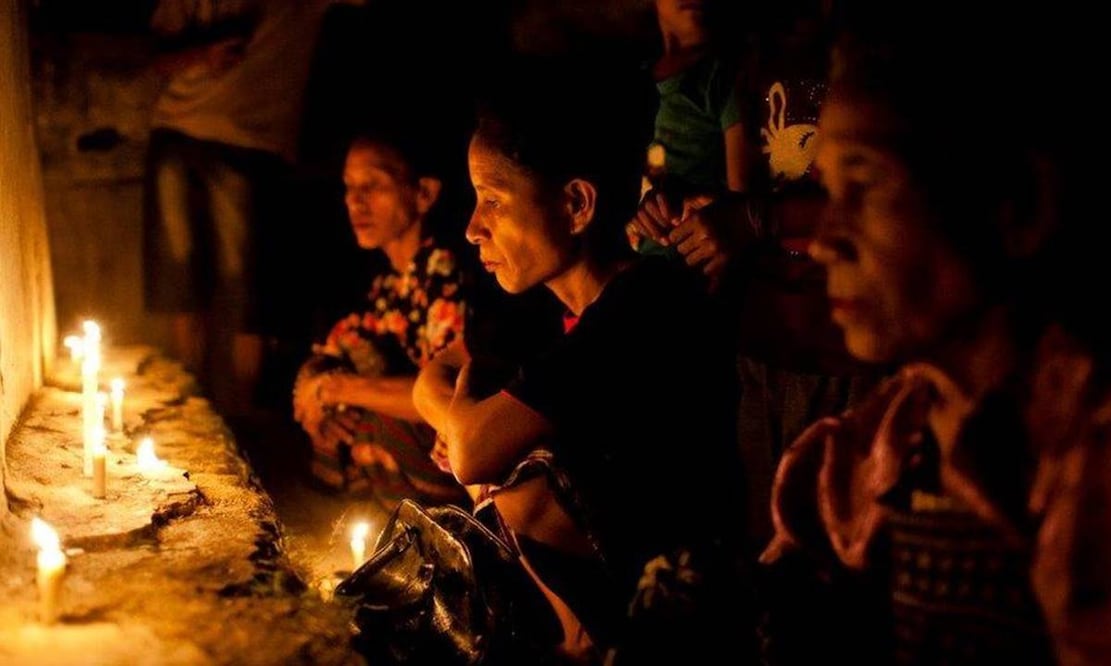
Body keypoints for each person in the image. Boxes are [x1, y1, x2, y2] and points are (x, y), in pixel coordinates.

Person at [759, 7, 1111, 664]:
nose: (823, 240)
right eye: (827, 191)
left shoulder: (1083, 448)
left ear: (1017, 204)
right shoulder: (889, 439)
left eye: (863, 185)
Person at [413, 61, 745, 663]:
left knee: (519, 487)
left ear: (576, 203)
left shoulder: (643, 308)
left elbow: (470, 453)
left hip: (682, 609)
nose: (471, 229)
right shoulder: (548, 310)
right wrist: (466, 418)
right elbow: (433, 390)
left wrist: (467, 419)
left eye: (492, 200)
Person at [142, 0, 357, 415]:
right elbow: (157, 57)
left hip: (253, 145)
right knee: (180, 279)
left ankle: (242, 414)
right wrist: (203, 54)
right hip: (178, 134)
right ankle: (191, 407)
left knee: (247, 287)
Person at [292, 132, 468, 509]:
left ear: (424, 193)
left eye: (372, 185)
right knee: (344, 394)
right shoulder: (391, 282)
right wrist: (312, 386)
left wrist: (335, 389)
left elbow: (449, 396)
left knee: (376, 421)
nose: (355, 201)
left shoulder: (443, 271)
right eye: (349, 187)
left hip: (460, 456)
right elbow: (345, 341)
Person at [626, 0, 746, 259]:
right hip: (634, 263)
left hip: (694, 263)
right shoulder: (632, 78)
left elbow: (742, 203)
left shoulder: (720, 77)